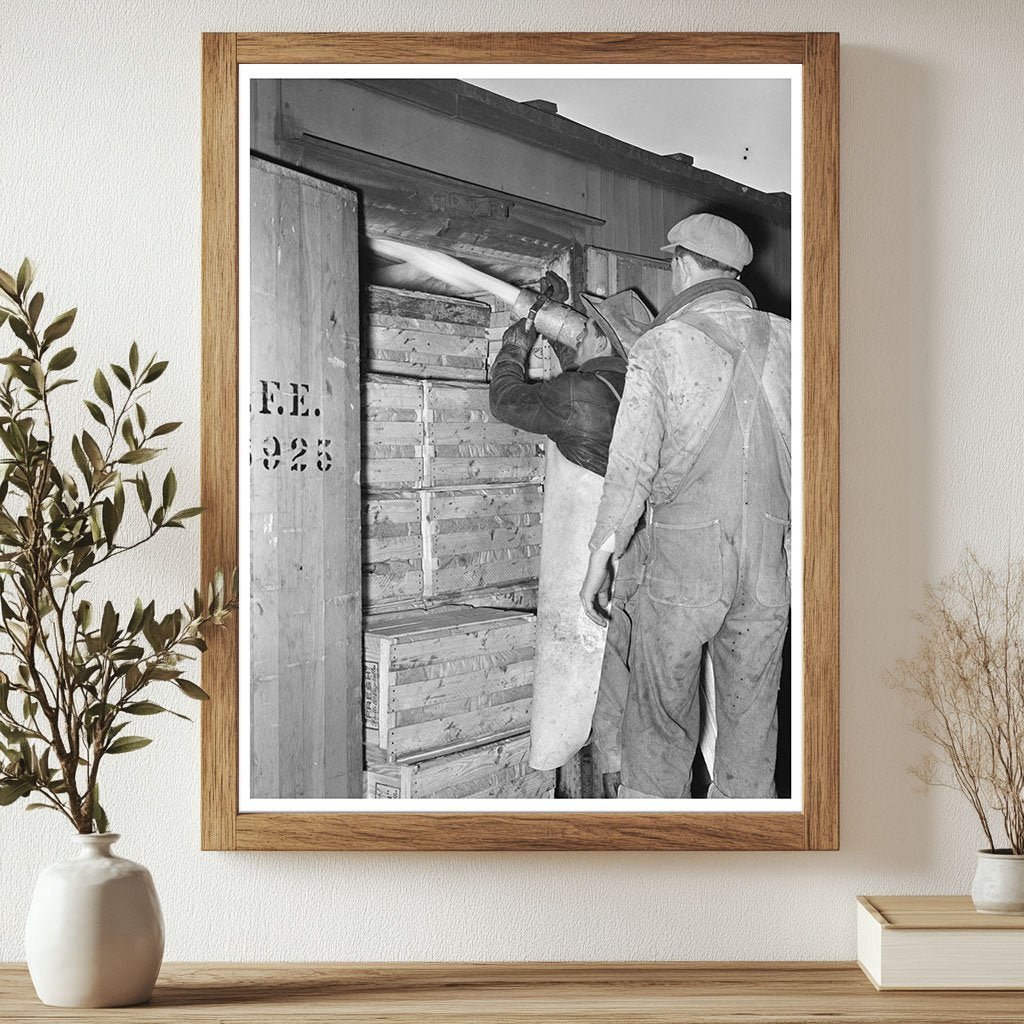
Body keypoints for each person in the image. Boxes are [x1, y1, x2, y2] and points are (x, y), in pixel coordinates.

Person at [580, 213, 792, 800]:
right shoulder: (794, 344)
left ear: (681, 264)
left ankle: (653, 864)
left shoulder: (663, 345)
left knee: (659, 726)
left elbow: (630, 470)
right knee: (752, 732)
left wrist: (600, 560)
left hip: (682, 569)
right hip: (772, 572)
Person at [489, 289, 653, 781]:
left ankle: (614, 793)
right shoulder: (634, 385)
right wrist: (547, 316)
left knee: (593, 677)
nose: (580, 330)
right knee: (632, 675)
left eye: (587, 327)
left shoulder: (580, 394)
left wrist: (515, 346)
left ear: (601, 337)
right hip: (640, 550)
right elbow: (586, 375)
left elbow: (506, 401)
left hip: (591, 554)